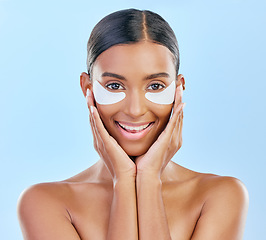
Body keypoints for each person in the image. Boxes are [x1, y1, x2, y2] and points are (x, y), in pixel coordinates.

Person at [17, 8, 249, 240]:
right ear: (87, 88)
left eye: (155, 86)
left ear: (178, 89)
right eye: (115, 86)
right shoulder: (45, 202)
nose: (135, 110)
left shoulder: (221, 196)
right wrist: (124, 182)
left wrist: (148, 180)